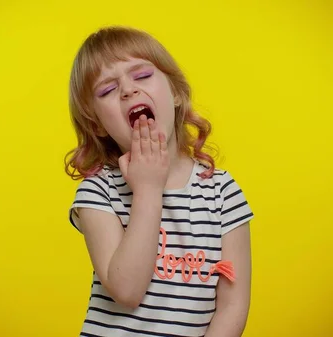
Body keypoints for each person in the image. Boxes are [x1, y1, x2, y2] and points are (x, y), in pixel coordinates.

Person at [65, 26, 255, 337]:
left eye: (141, 76)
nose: (128, 90)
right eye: (107, 90)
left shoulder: (222, 192)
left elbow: (233, 306)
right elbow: (126, 290)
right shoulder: (99, 190)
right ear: (97, 124)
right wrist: (148, 189)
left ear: (176, 93)